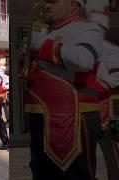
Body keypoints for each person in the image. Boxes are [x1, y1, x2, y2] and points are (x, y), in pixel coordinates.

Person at [26, 0, 103, 179]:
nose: (47, 6)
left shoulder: (88, 28)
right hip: (41, 113)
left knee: (74, 173)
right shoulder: (48, 31)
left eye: (53, 1)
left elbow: (84, 60)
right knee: (41, 171)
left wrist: (44, 44)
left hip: (73, 115)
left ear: (73, 5)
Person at [85, 0, 119, 179]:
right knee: (87, 149)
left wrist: (104, 83)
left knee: (112, 147)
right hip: (88, 105)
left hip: (110, 105)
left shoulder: (111, 50)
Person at [0, 57, 10, 126]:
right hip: (1, 93)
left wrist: (4, 87)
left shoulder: (5, 76)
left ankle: (8, 120)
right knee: (3, 107)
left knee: (6, 107)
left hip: (6, 93)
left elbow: (8, 84)